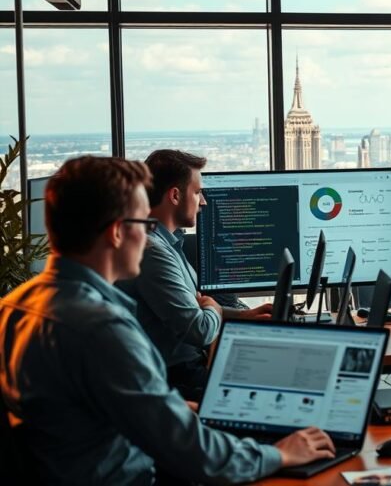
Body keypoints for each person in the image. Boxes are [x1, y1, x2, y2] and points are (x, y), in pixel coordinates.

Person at [0, 156, 335, 485]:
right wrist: (281, 454)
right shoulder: (101, 328)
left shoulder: (14, 307)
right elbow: (194, 454)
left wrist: (165, 407)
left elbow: (79, 414)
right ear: (118, 233)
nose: (148, 237)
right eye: (144, 225)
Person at [117, 150, 271, 400]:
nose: (204, 202)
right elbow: (199, 329)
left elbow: (199, 308)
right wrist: (214, 310)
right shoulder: (153, 252)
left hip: (187, 370)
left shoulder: (168, 243)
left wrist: (243, 314)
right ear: (175, 195)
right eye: (198, 192)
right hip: (179, 379)